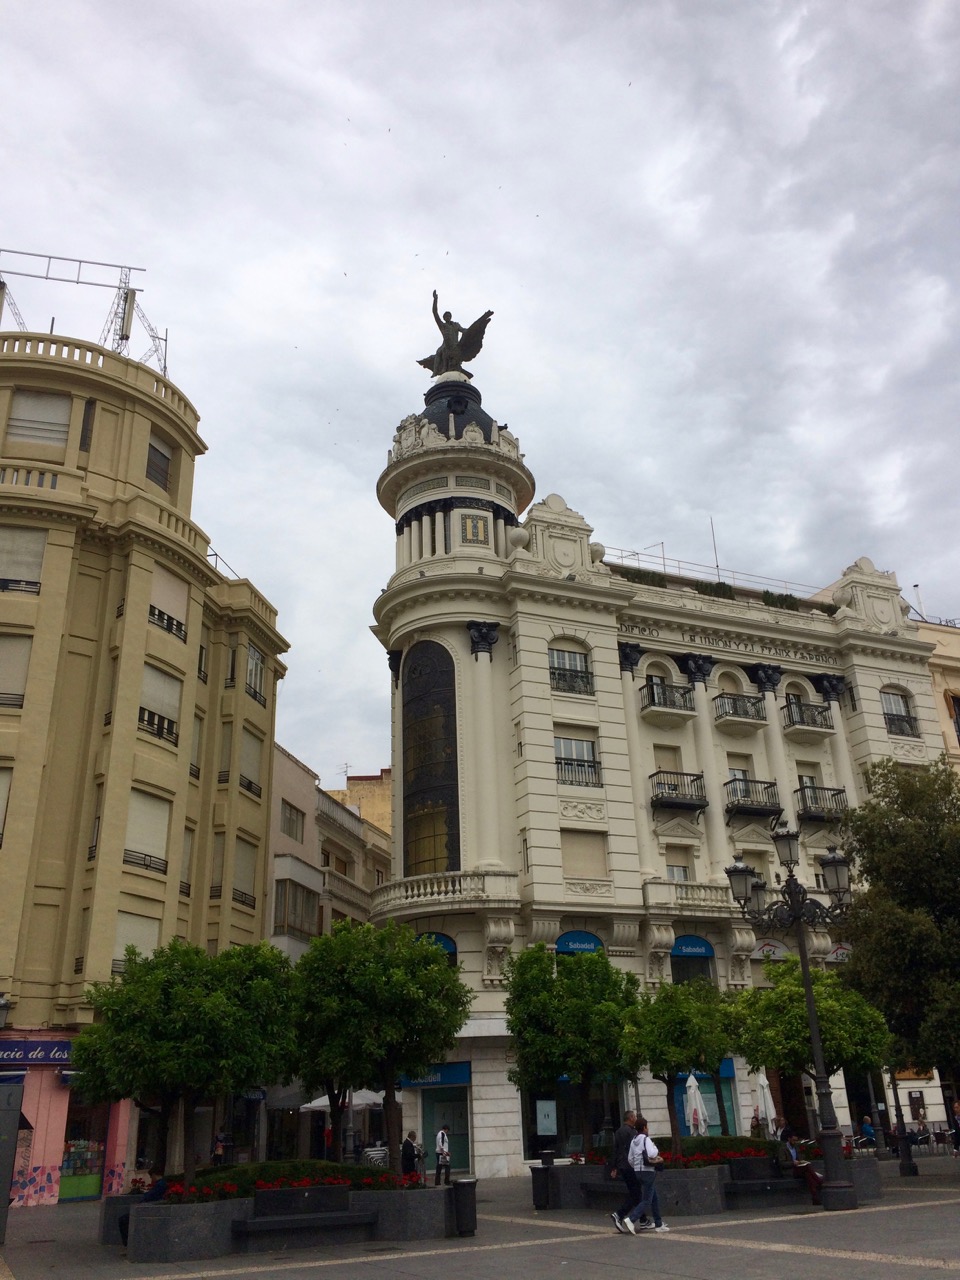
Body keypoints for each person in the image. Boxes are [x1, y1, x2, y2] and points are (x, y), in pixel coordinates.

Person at [622, 1117, 669, 1234]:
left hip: (638, 1172)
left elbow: (630, 1158)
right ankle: (631, 1219)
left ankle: (658, 1224)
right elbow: (652, 1153)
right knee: (647, 1200)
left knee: (654, 1197)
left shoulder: (633, 1140)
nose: (648, 1129)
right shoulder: (646, 1139)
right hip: (648, 1171)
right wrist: (655, 1147)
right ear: (644, 1127)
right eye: (647, 1127)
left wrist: (636, 1166)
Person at [609, 1109, 645, 1233]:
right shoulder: (633, 1132)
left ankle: (643, 1219)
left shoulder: (618, 1132)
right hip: (631, 1166)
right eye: (634, 1116)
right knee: (635, 1192)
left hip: (622, 1166)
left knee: (635, 1192)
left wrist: (614, 1167)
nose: (635, 1118)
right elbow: (635, 1149)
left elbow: (615, 1150)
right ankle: (619, 1214)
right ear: (630, 1118)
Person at [118, 1166, 168, 1247]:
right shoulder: (161, 1184)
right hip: (149, 1207)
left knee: (123, 1220)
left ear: (154, 1175)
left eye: (151, 1177)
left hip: (149, 1209)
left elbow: (149, 1196)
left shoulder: (160, 1185)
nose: (151, 1179)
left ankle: (128, 1244)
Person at [777, 1126, 823, 1205]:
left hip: (799, 1169)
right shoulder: (783, 1149)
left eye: (796, 1140)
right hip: (790, 1170)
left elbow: (800, 1157)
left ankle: (815, 1198)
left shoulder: (796, 1147)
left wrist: (801, 1161)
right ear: (789, 1139)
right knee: (807, 1168)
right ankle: (819, 1182)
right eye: (794, 1140)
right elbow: (782, 1163)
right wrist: (793, 1163)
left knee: (808, 1175)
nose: (795, 1142)